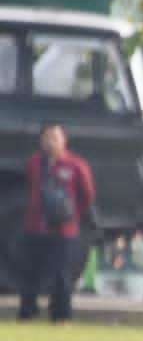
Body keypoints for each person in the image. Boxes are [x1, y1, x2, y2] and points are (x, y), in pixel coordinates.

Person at [19, 123, 96, 322]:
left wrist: (72, 214)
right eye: (46, 137)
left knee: (61, 275)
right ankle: (27, 311)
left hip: (64, 229)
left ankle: (61, 314)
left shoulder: (76, 165)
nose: (50, 142)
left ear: (64, 140)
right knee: (30, 271)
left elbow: (87, 195)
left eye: (55, 137)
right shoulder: (35, 163)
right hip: (35, 226)